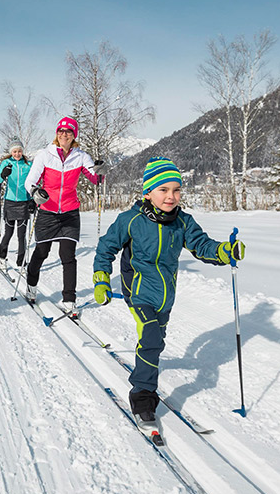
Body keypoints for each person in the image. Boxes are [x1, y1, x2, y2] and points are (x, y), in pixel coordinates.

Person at [92, 157, 245, 428]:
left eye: (176, 190)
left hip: (166, 296)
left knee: (155, 342)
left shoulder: (182, 222)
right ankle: (143, 397)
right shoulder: (131, 220)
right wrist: (102, 279)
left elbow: (202, 246)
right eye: (163, 190)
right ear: (148, 192)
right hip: (138, 292)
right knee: (150, 338)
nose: (171, 196)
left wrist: (224, 251)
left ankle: (146, 368)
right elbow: (106, 248)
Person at [22, 117, 101, 315]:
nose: (64, 134)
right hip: (47, 211)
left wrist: (99, 172)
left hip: (70, 213)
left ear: (74, 135)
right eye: (61, 131)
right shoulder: (45, 155)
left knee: (68, 256)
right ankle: (31, 286)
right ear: (56, 134)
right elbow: (31, 180)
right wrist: (34, 192)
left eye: (68, 132)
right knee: (41, 252)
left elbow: (94, 178)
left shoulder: (81, 156)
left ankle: (69, 299)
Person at [0, 141, 34, 266]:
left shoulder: (28, 165)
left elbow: (33, 182)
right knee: (8, 233)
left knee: (21, 235)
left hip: (24, 203)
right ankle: (1, 255)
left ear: (22, 151)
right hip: (10, 202)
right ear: (11, 152)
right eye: (15, 151)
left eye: (19, 151)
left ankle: (21, 261)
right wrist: (3, 174)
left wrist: (33, 199)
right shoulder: (7, 163)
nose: (17, 154)